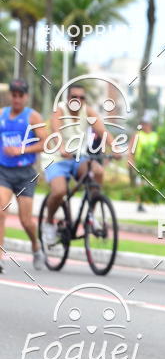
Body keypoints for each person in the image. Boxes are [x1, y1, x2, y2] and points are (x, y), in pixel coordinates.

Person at [40, 83, 119, 246]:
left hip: (78, 158)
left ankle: (90, 215)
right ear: (68, 98)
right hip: (56, 159)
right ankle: (48, 223)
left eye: (81, 97)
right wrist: (61, 147)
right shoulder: (60, 110)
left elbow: (102, 131)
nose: (78, 100)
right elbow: (55, 131)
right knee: (59, 191)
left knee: (97, 171)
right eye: (73, 97)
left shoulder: (88, 111)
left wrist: (116, 148)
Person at [0, 79, 48, 272]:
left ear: (26, 97)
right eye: (14, 95)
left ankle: (36, 247)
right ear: (10, 95)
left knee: (25, 221)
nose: (17, 99)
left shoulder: (33, 117)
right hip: (3, 171)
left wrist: (21, 149)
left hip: (25, 173)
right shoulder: (2, 115)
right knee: (1, 211)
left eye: (21, 95)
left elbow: (45, 143)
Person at [130, 116, 158, 212]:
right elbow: (132, 149)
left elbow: (159, 150)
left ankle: (148, 202)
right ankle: (139, 203)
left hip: (152, 164)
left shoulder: (155, 136)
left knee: (149, 184)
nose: (144, 126)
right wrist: (130, 160)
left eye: (146, 124)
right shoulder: (137, 135)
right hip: (140, 163)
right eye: (143, 124)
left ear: (150, 125)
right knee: (140, 184)